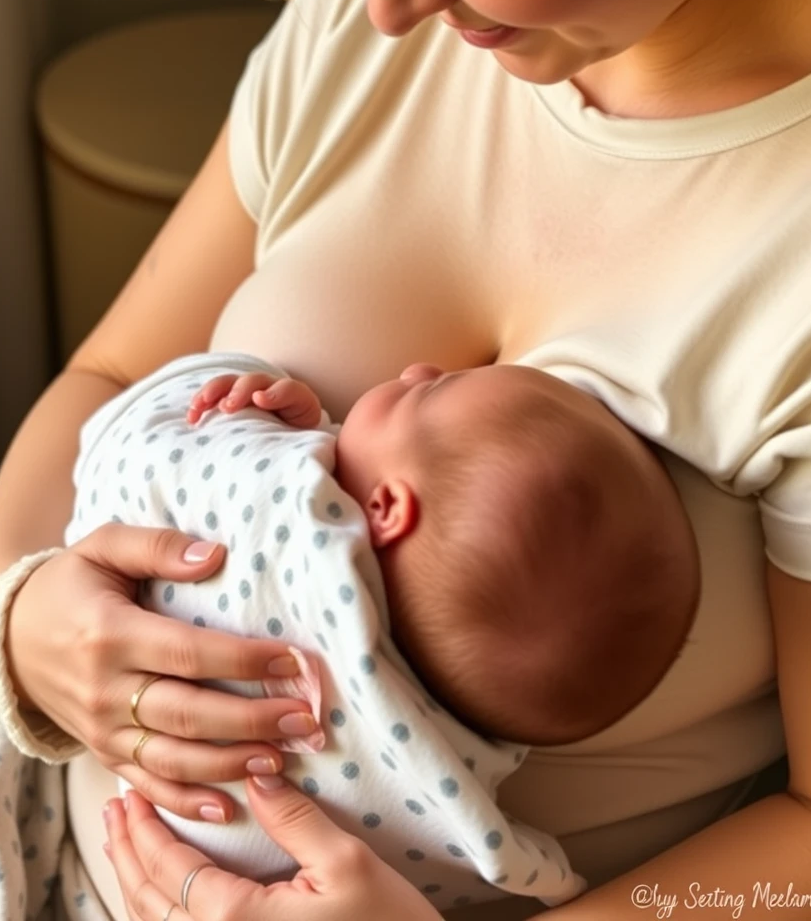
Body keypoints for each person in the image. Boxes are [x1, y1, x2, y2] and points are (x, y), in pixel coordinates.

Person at [0, 0, 811, 918]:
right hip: (22, 794)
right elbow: (116, 370)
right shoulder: (375, 15)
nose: (380, 4)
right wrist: (18, 618)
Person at [54, 350, 698, 911]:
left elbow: (128, 448)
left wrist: (258, 424)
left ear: (385, 508)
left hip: (73, 829)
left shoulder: (281, 518)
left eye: (430, 391)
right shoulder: (446, 796)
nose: (418, 367)